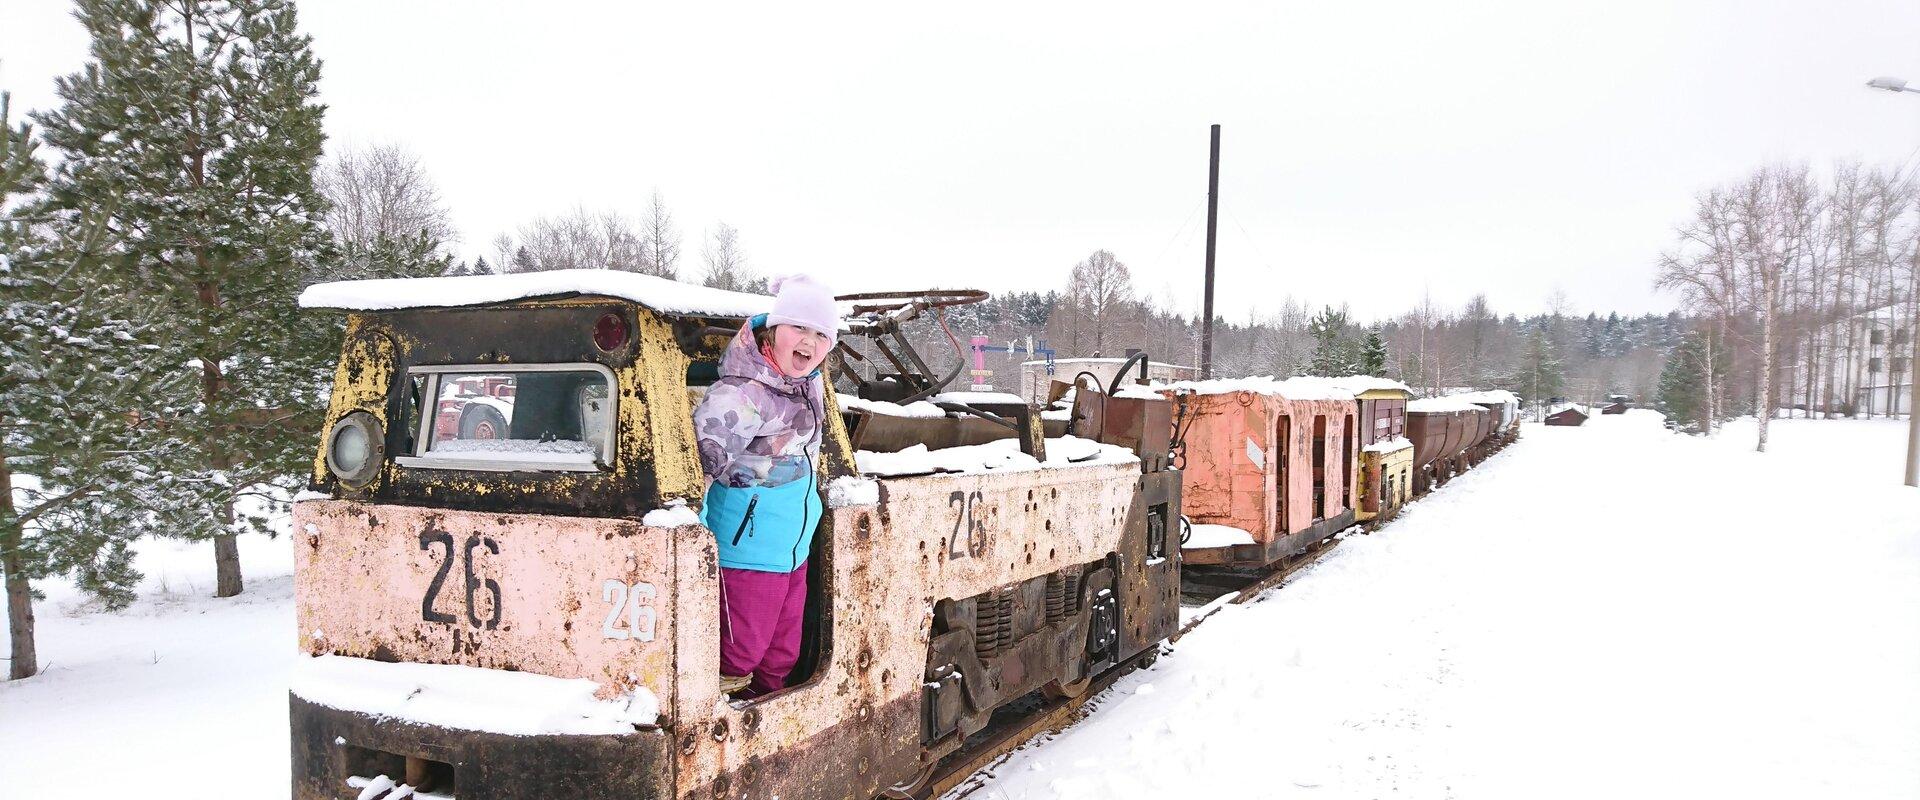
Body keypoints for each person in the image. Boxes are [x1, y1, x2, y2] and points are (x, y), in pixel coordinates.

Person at [693, 274, 836, 698]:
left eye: (821, 334)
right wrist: (695, 542)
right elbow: (697, 469)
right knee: (738, 658)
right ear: (774, 331)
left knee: (780, 658)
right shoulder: (742, 395)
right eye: (799, 328)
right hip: (746, 555)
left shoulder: (808, 386)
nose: (809, 343)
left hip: (791, 553)